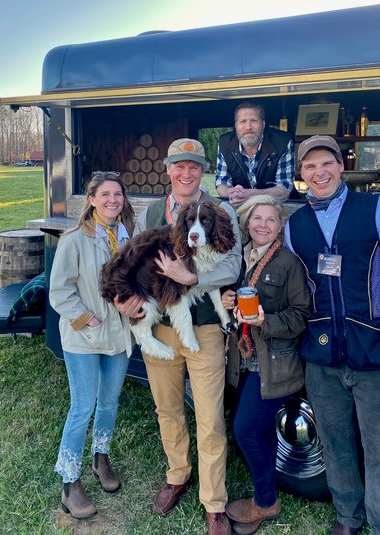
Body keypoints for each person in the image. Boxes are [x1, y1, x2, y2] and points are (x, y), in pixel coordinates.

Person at [284, 135, 380, 535]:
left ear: (341, 166)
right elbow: (291, 283)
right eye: (310, 166)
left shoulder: (378, 208)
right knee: (336, 447)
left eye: (326, 163)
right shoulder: (294, 225)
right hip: (323, 359)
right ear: (301, 175)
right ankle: (348, 518)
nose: (319, 172)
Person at [116, 138, 242, 535]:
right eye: (178, 166)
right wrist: (126, 300)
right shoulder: (152, 210)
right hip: (161, 328)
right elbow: (133, 260)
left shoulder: (221, 212)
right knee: (168, 409)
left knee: (209, 417)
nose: (185, 174)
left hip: (203, 327)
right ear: (168, 170)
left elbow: (235, 262)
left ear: (202, 171)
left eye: (193, 167)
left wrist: (195, 278)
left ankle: (215, 502)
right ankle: (177, 474)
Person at [221, 195, 311, 535]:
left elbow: (301, 316)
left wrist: (264, 320)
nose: (262, 225)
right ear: (248, 223)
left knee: (245, 430)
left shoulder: (289, 264)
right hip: (243, 362)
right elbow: (233, 299)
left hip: (272, 366)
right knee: (257, 429)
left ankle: (265, 502)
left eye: (270, 220)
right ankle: (268, 493)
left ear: (280, 225)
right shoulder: (240, 259)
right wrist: (228, 299)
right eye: (257, 218)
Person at [49, 171, 135, 520]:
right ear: (92, 200)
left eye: (118, 194)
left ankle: (101, 458)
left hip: (118, 336)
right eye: (106, 194)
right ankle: (70, 482)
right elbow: (59, 291)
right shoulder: (75, 239)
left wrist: (138, 305)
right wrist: (88, 318)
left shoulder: (131, 238)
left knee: (110, 401)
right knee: (82, 407)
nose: (113, 199)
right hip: (84, 337)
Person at [215, 102, 294, 208]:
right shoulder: (225, 143)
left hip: (276, 208)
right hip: (238, 207)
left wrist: (248, 194)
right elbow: (221, 182)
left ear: (263, 124)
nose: (248, 127)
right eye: (243, 121)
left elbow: (284, 189)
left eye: (254, 121)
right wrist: (232, 193)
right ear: (236, 125)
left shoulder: (282, 142)